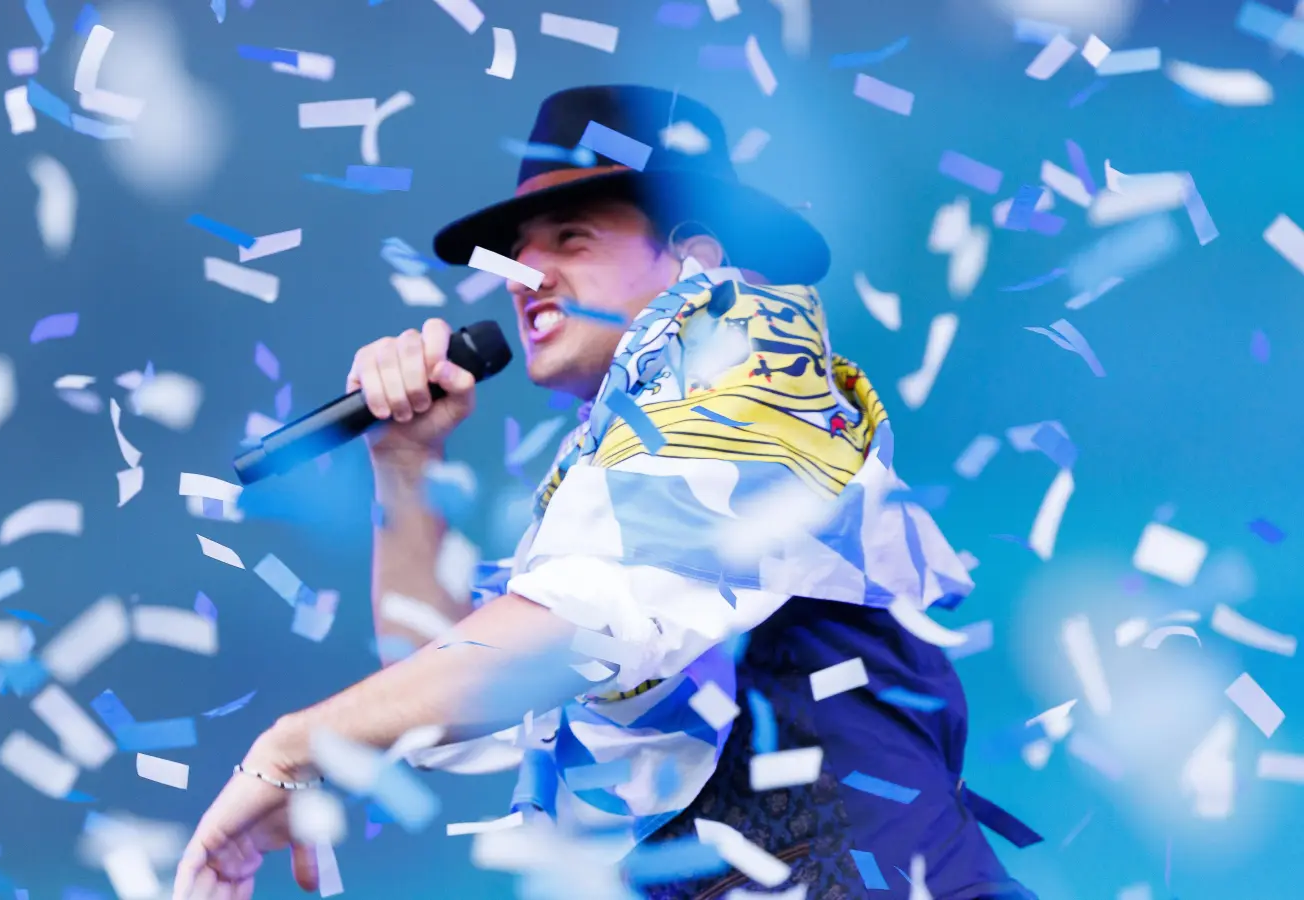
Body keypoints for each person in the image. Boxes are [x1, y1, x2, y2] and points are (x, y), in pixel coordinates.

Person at [173, 85, 1037, 900]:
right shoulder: (620, 461)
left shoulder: (751, 372)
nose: (526, 275)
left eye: (572, 237)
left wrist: (297, 744)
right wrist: (406, 463)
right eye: (514, 255)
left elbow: (571, 633)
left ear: (693, 255)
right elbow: (446, 687)